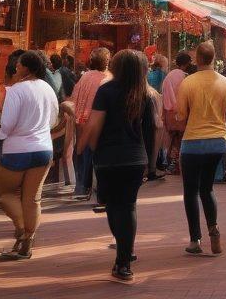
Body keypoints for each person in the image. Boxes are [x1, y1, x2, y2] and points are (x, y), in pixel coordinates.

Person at [80, 50, 155, 282]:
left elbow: (95, 124)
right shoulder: (145, 94)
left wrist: (87, 147)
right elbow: (151, 131)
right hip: (135, 158)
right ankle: (125, 255)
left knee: (113, 206)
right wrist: (150, 164)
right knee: (128, 206)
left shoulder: (107, 91)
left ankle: (123, 258)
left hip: (109, 157)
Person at [0, 50, 59, 260]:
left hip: (17, 149)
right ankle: (27, 239)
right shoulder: (47, 88)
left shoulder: (16, 90)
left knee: (5, 194)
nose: (16, 67)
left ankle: (22, 231)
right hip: (43, 148)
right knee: (33, 198)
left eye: (19, 64)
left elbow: (8, 123)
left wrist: (1, 132)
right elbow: (53, 120)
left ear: (27, 68)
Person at [175, 41, 226, 257]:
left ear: (197, 59)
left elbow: (181, 117)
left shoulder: (188, 83)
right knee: (207, 188)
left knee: (190, 191)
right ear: (213, 57)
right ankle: (213, 228)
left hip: (192, 142)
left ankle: (195, 239)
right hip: (218, 141)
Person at [70, 46, 110, 202]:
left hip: (83, 122)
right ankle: (98, 190)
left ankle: (82, 187)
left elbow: (75, 98)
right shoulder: (109, 78)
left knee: (82, 153)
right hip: (101, 122)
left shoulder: (85, 77)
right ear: (107, 61)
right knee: (98, 156)